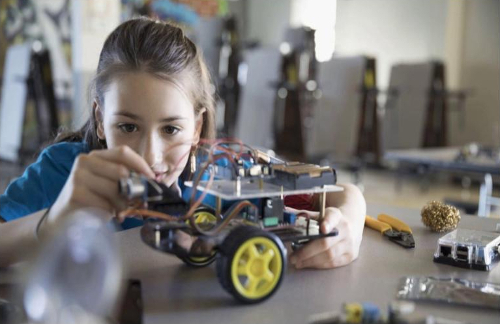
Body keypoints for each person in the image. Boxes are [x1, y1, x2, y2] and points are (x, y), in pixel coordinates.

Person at [0, 17, 366, 269]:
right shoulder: (63, 173)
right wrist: (51, 222)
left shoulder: (222, 174)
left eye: (171, 130)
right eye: (127, 126)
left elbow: (343, 192)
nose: (148, 156)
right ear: (99, 118)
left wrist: (348, 226)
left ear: (197, 127)